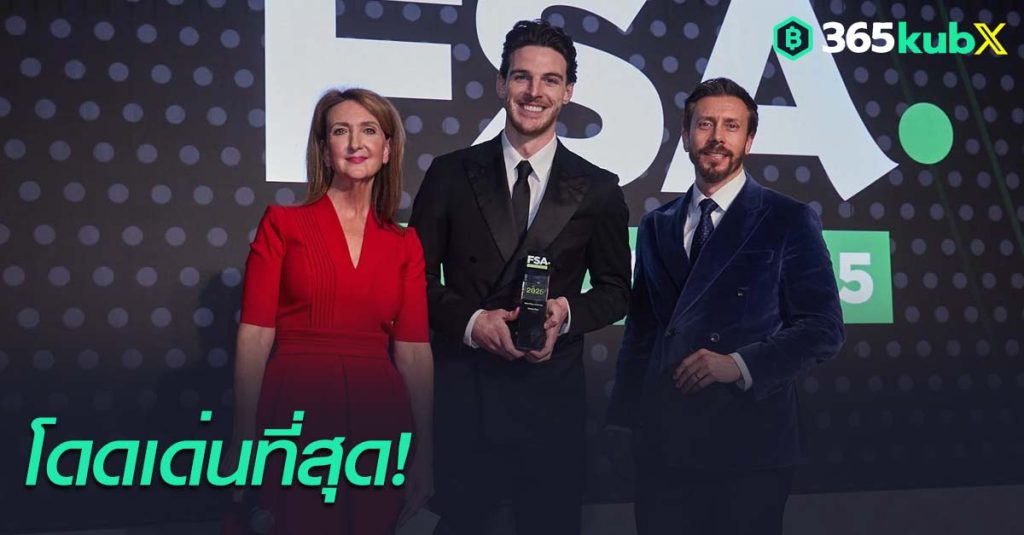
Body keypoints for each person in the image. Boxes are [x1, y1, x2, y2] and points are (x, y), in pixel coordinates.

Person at [409, 20, 630, 535]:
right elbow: (411, 279)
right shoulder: (450, 173)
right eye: (522, 77)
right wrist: (472, 323)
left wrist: (564, 313)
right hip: (464, 395)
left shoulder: (598, 187)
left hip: (550, 403)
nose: (534, 92)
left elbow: (617, 291)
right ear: (501, 83)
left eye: (550, 80)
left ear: (568, 92)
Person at [607, 77, 845, 535]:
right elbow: (641, 332)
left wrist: (737, 364)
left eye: (731, 126)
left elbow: (823, 328)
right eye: (705, 124)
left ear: (749, 140)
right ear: (685, 136)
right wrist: (624, 419)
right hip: (664, 443)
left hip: (749, 444)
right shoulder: (657, 224)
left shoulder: (788, 218)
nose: (717, 137)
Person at [231, 88, 433, 534]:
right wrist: (244, 432)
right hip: (295, 407)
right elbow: (255, 335)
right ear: (324, 151)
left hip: (379, 415)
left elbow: (415, 353)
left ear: (387, 149)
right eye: (341, 131)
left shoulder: (405, 243)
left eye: (369, 130)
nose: (356, 143)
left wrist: (424, 451)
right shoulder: (282, 223)